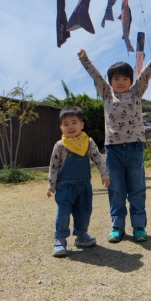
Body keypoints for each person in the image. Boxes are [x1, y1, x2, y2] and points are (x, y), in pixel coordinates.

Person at [78, 46, 151, 243]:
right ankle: (117, 226)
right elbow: (96, 76)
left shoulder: (136, 92)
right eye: (116, 79)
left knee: (137, 188)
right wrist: (85, 59)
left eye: (125, 79)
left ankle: (139, 226)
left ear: (131, 81)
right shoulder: (107, 94)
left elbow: (147, 74)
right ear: (110, 82)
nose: (120, 82)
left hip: (134, 147)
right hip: (113, 149)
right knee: (115, 189)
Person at [47, 106, 110, 257]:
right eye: (66, 124)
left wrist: (105, 175)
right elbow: (54, 166)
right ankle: (60, 239)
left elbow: (99, 160)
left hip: (84, 186)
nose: (70, 127)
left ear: (82, 124)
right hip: (65, 187)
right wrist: (51, 185)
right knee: (63, 213)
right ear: (61, 128)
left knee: (84, 211)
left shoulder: (88, 142)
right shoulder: (60, 145)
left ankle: (81, 236)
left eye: (74, 122)